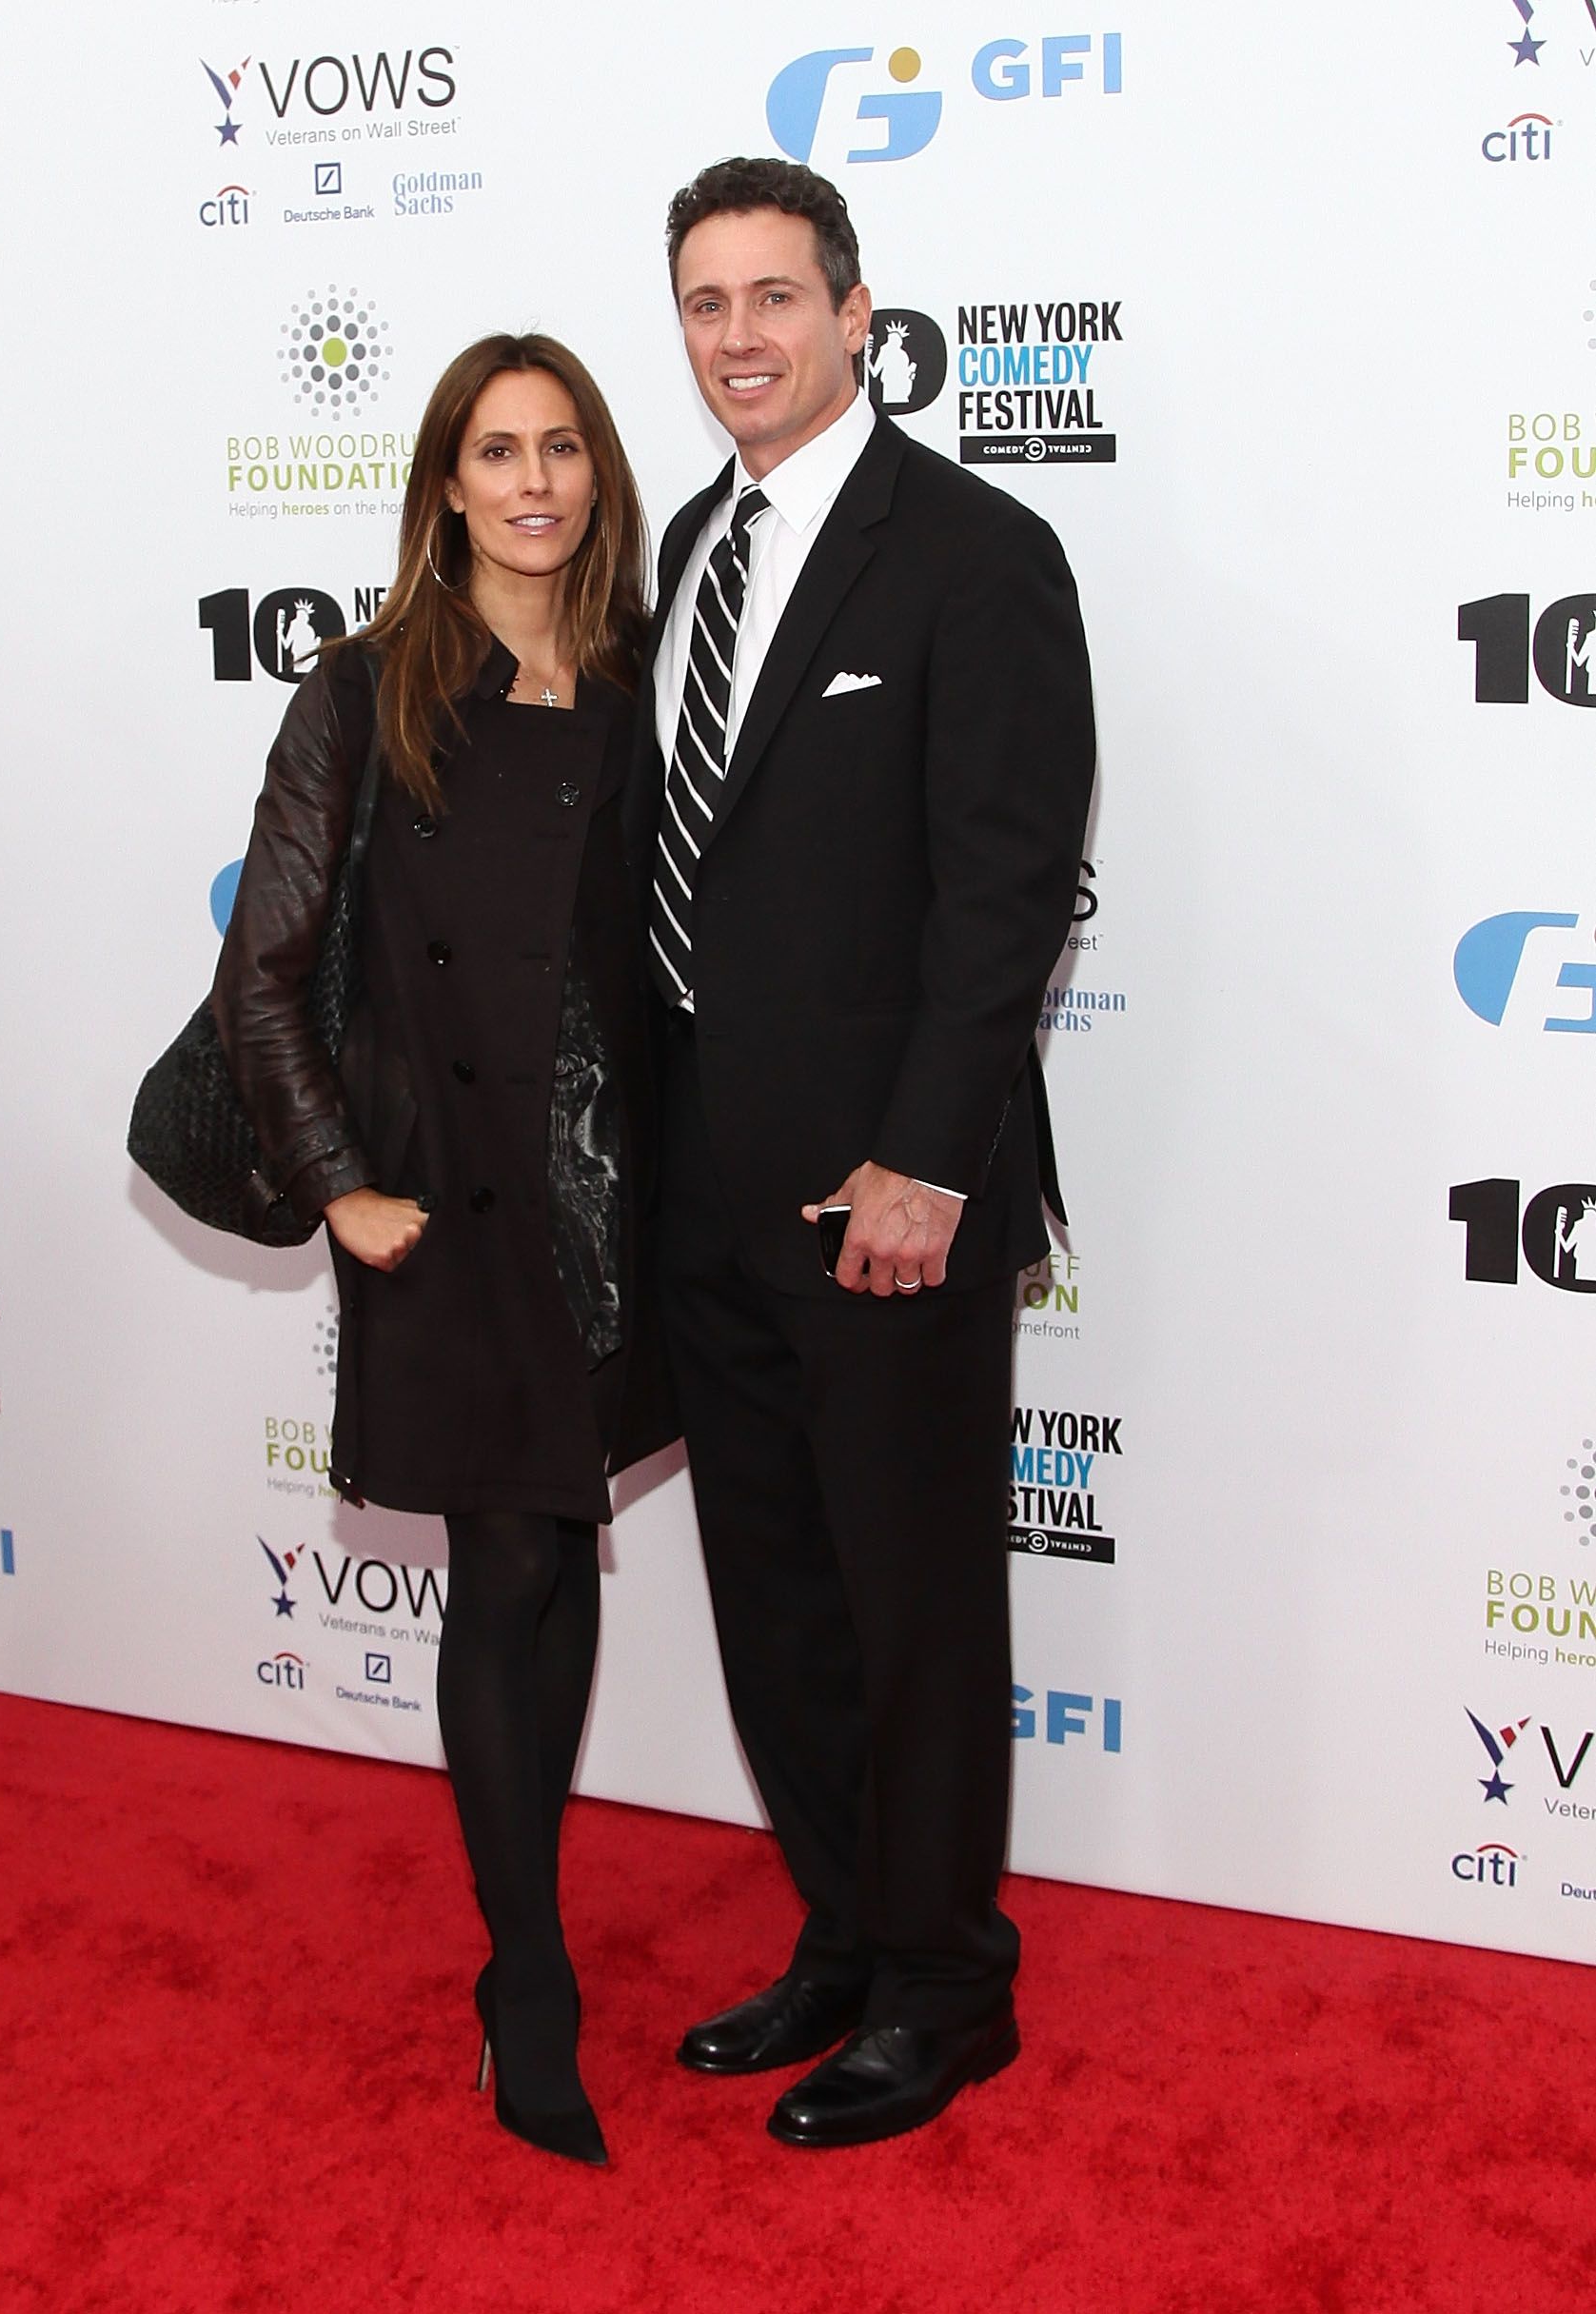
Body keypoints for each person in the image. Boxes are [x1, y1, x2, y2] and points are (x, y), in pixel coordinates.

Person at [627, 158, 1096, 2148]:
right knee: (779, 1593)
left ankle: (941, 1984)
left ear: (854, 309)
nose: (738, 337)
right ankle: (837, 1930)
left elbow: (1007, 892)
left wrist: (928, 1162)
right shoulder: (683, 544)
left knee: (908, 1602)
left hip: (879, 1201)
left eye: (772, 299)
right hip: (707, 1195)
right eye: (704, 305)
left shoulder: (974, 553)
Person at [213, 333, 672, 2166]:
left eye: (563, 447)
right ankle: (528, 1979)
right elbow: (261, 975)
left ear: (597, 474)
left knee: (554, 1558)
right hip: (440, 1209)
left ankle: (524, 1941)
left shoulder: (647, 686)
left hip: (606, 1214)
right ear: (445, 484)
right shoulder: (365, 691)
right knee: (503, 1576)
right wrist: (337, 1184)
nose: (535, 481)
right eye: (497, 451)